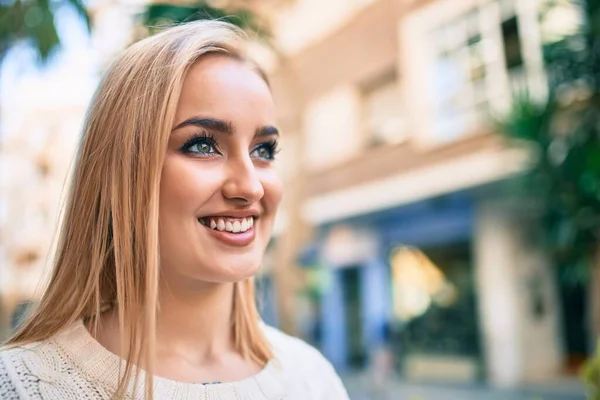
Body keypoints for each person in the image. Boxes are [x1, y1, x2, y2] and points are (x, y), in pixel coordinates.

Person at [0, 20, 349, 400]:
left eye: (263, 150)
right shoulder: (20, 383)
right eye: (203, 145)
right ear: (122, 173)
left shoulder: (313, 379)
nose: (250, 186)